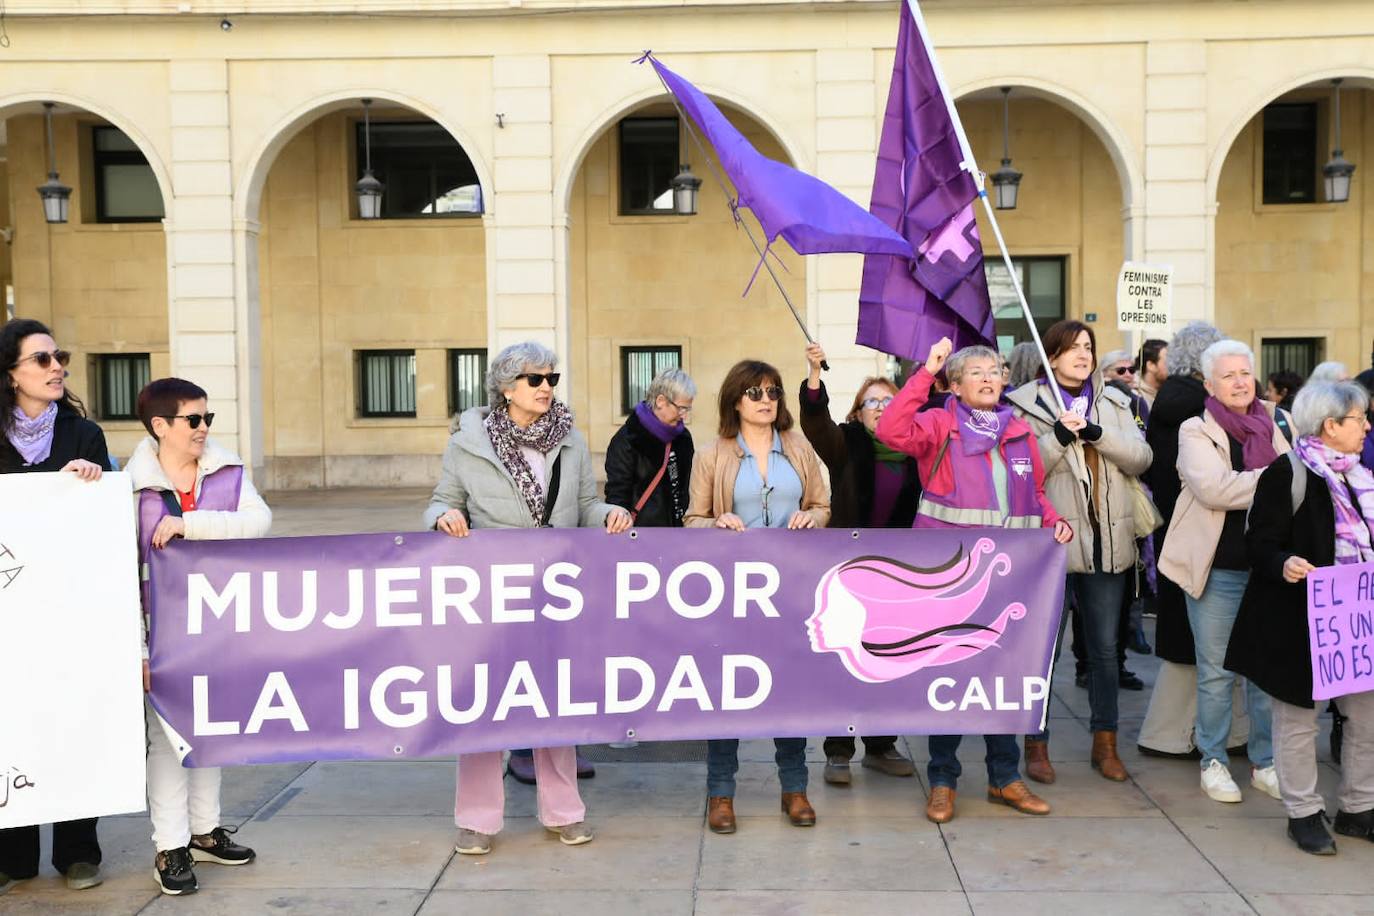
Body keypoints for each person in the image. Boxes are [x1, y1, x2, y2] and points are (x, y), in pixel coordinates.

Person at [425, 341, 632, 856]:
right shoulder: (468, 444)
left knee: (554, 703)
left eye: (551, 379)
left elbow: (585, 502)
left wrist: (608, 511)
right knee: (484, 706)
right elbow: (443, 501)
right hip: (491, 595)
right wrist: (442, 519)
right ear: (506, 387)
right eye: (536, 380)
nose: (546, 388)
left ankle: (564, 812)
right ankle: (477, 818)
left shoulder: (572, 440)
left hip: (557, 593)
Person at [877, 338, 1070, 823]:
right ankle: (943, 781)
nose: (988, 377)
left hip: (1011, 579)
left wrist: (1053, 521)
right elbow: (891, 428)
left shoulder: (1021, 431)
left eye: (995, 370)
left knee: (1002, 678)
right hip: (952, 579)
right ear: (957, 385)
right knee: (954, 676)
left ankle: (1005, 778)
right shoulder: (940, 423)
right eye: (976, 372)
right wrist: (927, 371)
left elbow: (1034, 494)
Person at [129, 377, 270, 895]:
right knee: (168, 743)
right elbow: (119, 572)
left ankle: (206, 831)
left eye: (208, 418)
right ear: (160, 426)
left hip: (220, 628)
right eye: (194, 419)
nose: (204, 428)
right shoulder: (131, 488)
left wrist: (190, 524)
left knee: (212, 730)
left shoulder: (228, 470)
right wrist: (137, 648)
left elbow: (258, 522)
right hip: (160, 631)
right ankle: (170, 846)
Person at [1226, 381, 1374, 854]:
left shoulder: (1363, 477)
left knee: (1366, 719)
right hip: (1298, 622)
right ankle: (1304, 813)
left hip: (1357, 624)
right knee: (1297, 722)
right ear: (1331, 425)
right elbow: (1259, 544)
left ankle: (1358, 808)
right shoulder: (1286, 474)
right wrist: (1284, 563)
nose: (1367, 426)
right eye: (1359, 419)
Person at [685, 358, 830, 834]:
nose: (766, 400)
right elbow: (693, 520)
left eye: (773, 392)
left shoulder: (799, 446)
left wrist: (814, 518)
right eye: (755, 393)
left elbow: (821, 505)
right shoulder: (713, 453)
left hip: (791, 589)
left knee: (789, 689)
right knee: (726, 692)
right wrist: (718, 523)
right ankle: (721, 794)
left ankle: (795, 788)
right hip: (732, 594)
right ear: (735, 400)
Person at [1007, 320, 1152, 785]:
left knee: (1106, 650)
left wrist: (1095, 433)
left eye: (1088, 347)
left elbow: (1141, 458)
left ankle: (1105, 743)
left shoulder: (1114, 400)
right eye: (1072, 348)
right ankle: (1037, 743)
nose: (1083, 355)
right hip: (1051, 547)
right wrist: (1060, 438)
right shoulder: (1023, 406)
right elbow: (1021, 472)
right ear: (1052, 357)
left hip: (1108, 544)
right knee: (1043, 651)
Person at [0, 319, 110, 895]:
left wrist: (92, 481)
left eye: (58, 356)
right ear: (10, 373)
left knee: (73, 719)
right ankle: (13, 855)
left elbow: (108, 512)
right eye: (41, 359)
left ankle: (77, 851)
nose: (56, 367)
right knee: (11, 726)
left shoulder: (82, 434)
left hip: (70, 605)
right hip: (6, 610)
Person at [1158, 340, 1291, 804]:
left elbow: (1299, 482)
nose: (1240, 382)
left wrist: (1274, 480)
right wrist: (1276, 478)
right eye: (1228, 375)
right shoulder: (1195, 429)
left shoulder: (1277, 419)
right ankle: (1213, 761)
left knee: (1263, 672)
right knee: (1215, 672)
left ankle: (1265, 762)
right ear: (1209, 384)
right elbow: (1214, 490)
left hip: (1269, 568)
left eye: (1245, 372)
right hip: (1218, 568)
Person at [798, 344, 918, 786]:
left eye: (890, 401)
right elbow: (814, 422)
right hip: (850, 572)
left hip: (901, 574)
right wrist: (814, 374)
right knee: (846, 658)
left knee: (890, 659)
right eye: (873, 402)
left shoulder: (916, 452)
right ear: (858, 413)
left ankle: (881, 745)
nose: (882, 408)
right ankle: (838, 750)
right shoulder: (846, 445)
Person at [1138, 321, 1250, 758]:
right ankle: (1173, 736)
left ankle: (1206, 733)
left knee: (1195, 643)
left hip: (1179, 532)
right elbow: (1213, 484)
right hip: (1205, 534)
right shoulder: (1200, 413)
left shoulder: (1169, 403)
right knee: (1204, 645)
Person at [605, 366, 696, 528]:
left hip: (680, 535)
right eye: (681, 408)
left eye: (688, 409)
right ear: (661, 401)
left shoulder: (684, 438)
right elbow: (617, 498)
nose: (685, 415)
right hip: (642, 538)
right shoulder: (628, 439)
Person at [1138, 338, 1169, 408]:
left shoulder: (1167, 393)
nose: (1173, 366)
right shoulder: (1136, 399)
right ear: (1151, 366)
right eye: (1168, 361)